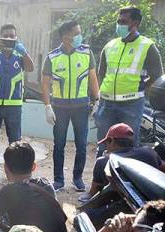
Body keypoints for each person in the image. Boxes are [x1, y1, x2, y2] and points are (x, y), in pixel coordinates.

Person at [96, 6, 163, 155]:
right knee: (103, 145)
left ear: (136, 22)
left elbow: (158, 76)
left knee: (129, 148)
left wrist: (141, 88)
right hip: (106, 105)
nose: (119, 25)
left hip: (131, 105)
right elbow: (101, 73)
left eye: (123, 21)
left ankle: (125, 178)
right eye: (118, 21)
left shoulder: (147, 47)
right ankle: (100, 177)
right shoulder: (110, 45)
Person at [42, 20, 100, 192]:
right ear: (66, 36)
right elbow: (44, 83)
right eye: (76, 33)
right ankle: (58, 180)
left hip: (81, 106)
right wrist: (47, 107)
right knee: (58, 144)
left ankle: (77, 178)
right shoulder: (52, 57)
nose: (79, 36)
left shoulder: (86, 52)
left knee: (81, 144)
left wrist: (97, 100)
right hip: (59, 107)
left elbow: (93, 78)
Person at [0, 24, 34, 186]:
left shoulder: (20, 54)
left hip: (14, 106)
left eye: (12, 36)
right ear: (0, 37)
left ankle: (16, 176)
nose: (9, 39)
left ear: (16, 37)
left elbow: (31, 68)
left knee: (15, 143)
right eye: (6, 36)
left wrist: (24, 51)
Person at [80, 123, 165, 202]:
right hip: (153, 201)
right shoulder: (149, 152)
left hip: (121, 205)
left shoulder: (103, 161)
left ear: (111, 140)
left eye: (106, 143)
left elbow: (93, 193)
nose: (106, 147)